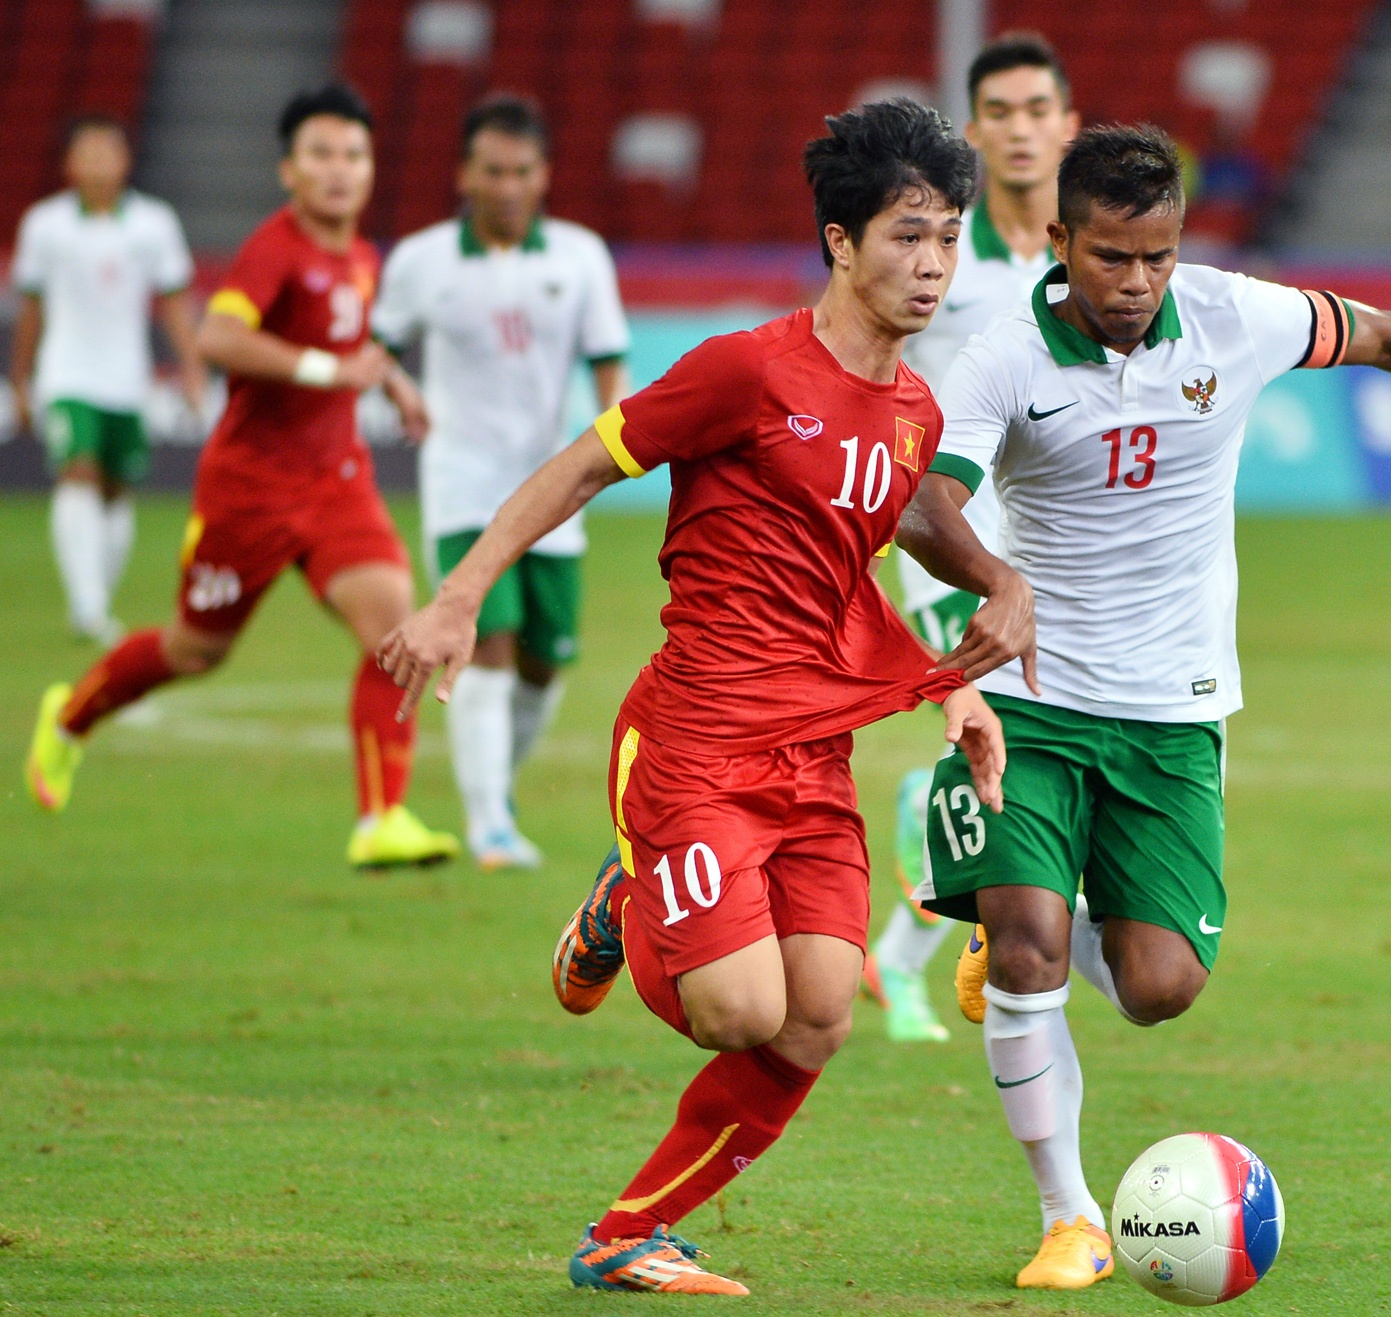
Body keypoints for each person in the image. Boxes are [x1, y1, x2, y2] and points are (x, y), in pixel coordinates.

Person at [895, 123, 1391, 1291]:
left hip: (1174, 707)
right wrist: (1000, 581)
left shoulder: (1231, 316)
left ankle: (1017, 921)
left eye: (1156, 255)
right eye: (1110, 256)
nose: (1136, 282)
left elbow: (1387, 332)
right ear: (1060, 240)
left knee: (1160, 988)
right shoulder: (1003, 355)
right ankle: (1068, 1216)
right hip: (1031, 702)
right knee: (1033, 954)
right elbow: (923, 507)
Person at [375, 99, 1007, 1296]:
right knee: (737, 1012)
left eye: (947, 237)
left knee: (820, 1016)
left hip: (811, 757)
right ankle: (627, 898)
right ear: (840, 243)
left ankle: (629, 1232)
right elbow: (582, 464)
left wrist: (952, 689)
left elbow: (859, 564)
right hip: (696, 744)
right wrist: (459, 593)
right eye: (907, 235)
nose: (933, 265)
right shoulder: (746, 370)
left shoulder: (915, 413)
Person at [24, 84, 459, 871]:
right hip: (250, 490)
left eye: (353, 154)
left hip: (337, 481)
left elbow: (355, 342)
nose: (339, 169)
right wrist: (331, 370)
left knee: (396, 633)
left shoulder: (363, 256)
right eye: (320, 154)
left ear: (370, 168)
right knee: (195, 650)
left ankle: (382, 818)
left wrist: (393, 382)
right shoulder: (274, 248)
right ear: (288, 170)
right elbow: (220, 338)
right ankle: (70, 716)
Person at [870, 32, 1077, 1045]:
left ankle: (902, 953)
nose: (1021, 130)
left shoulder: (1098, 257)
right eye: (1000, 112)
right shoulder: (941, 254)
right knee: (1006, 730)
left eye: (1038, 110)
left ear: (1068, 126)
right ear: (975, 130)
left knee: (1041, 748)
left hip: (1054, 548)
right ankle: (954, 940)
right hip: (944, 536)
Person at [372, 95, 631, 870]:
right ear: (465, 175)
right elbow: (378, 347)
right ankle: (488, 825)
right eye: (493, 171)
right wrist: (398, 386)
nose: (508, 186)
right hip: (463, 483)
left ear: (544, 174)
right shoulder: (422, 261)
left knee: (545, 661)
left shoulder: (580, 257)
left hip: (555, 485)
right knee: (487, 642)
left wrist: (615, 434)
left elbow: (608, 357)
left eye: (522, 171)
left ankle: (497, 791)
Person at [9, 114, 205, 645]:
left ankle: (96, 597)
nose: (98, 162)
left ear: (125, 160)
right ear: (69, 163)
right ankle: (88, 606)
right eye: (87, 152)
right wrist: (21, 377)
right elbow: (31, 308)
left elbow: (173, 303)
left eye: (107, 151)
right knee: (79, 471)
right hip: (67, 373)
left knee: (117, 490)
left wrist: (192, 367)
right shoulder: (45, 225)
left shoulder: (154, 224)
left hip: (127, 377)